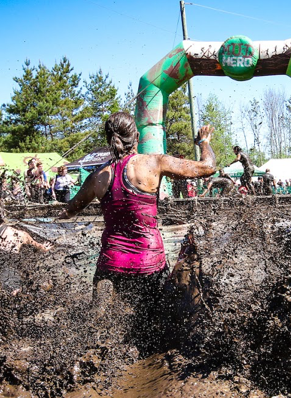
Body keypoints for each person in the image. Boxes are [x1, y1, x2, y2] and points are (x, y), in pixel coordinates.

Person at [58, 112, 216, 305]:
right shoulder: (154, 162)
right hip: (148, 264)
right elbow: (207, 167)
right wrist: (204, 142)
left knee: (101, 328)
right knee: (153, 330)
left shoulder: (96, 177)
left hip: (109, 265)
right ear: (137, 138)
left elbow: (70, 211)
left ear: (109, 140)